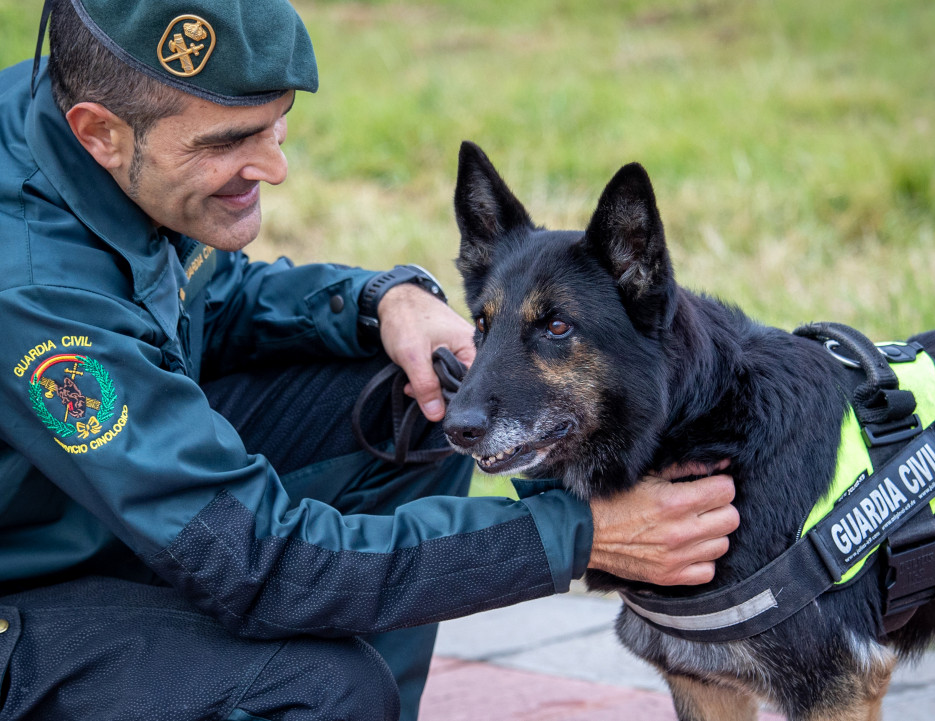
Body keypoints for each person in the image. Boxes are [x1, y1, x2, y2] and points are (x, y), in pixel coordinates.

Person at [0, 1, 739, 719]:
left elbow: (197, 300)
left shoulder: (83, 107)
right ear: (98, 132)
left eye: (276, 124)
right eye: (228, 142)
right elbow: (256, 559)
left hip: (86, 503)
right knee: (323, 688)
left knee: (417, 397)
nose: (274, 166)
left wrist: (377, 302)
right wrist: (579, 534)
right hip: (24, 594)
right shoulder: (33, 288)